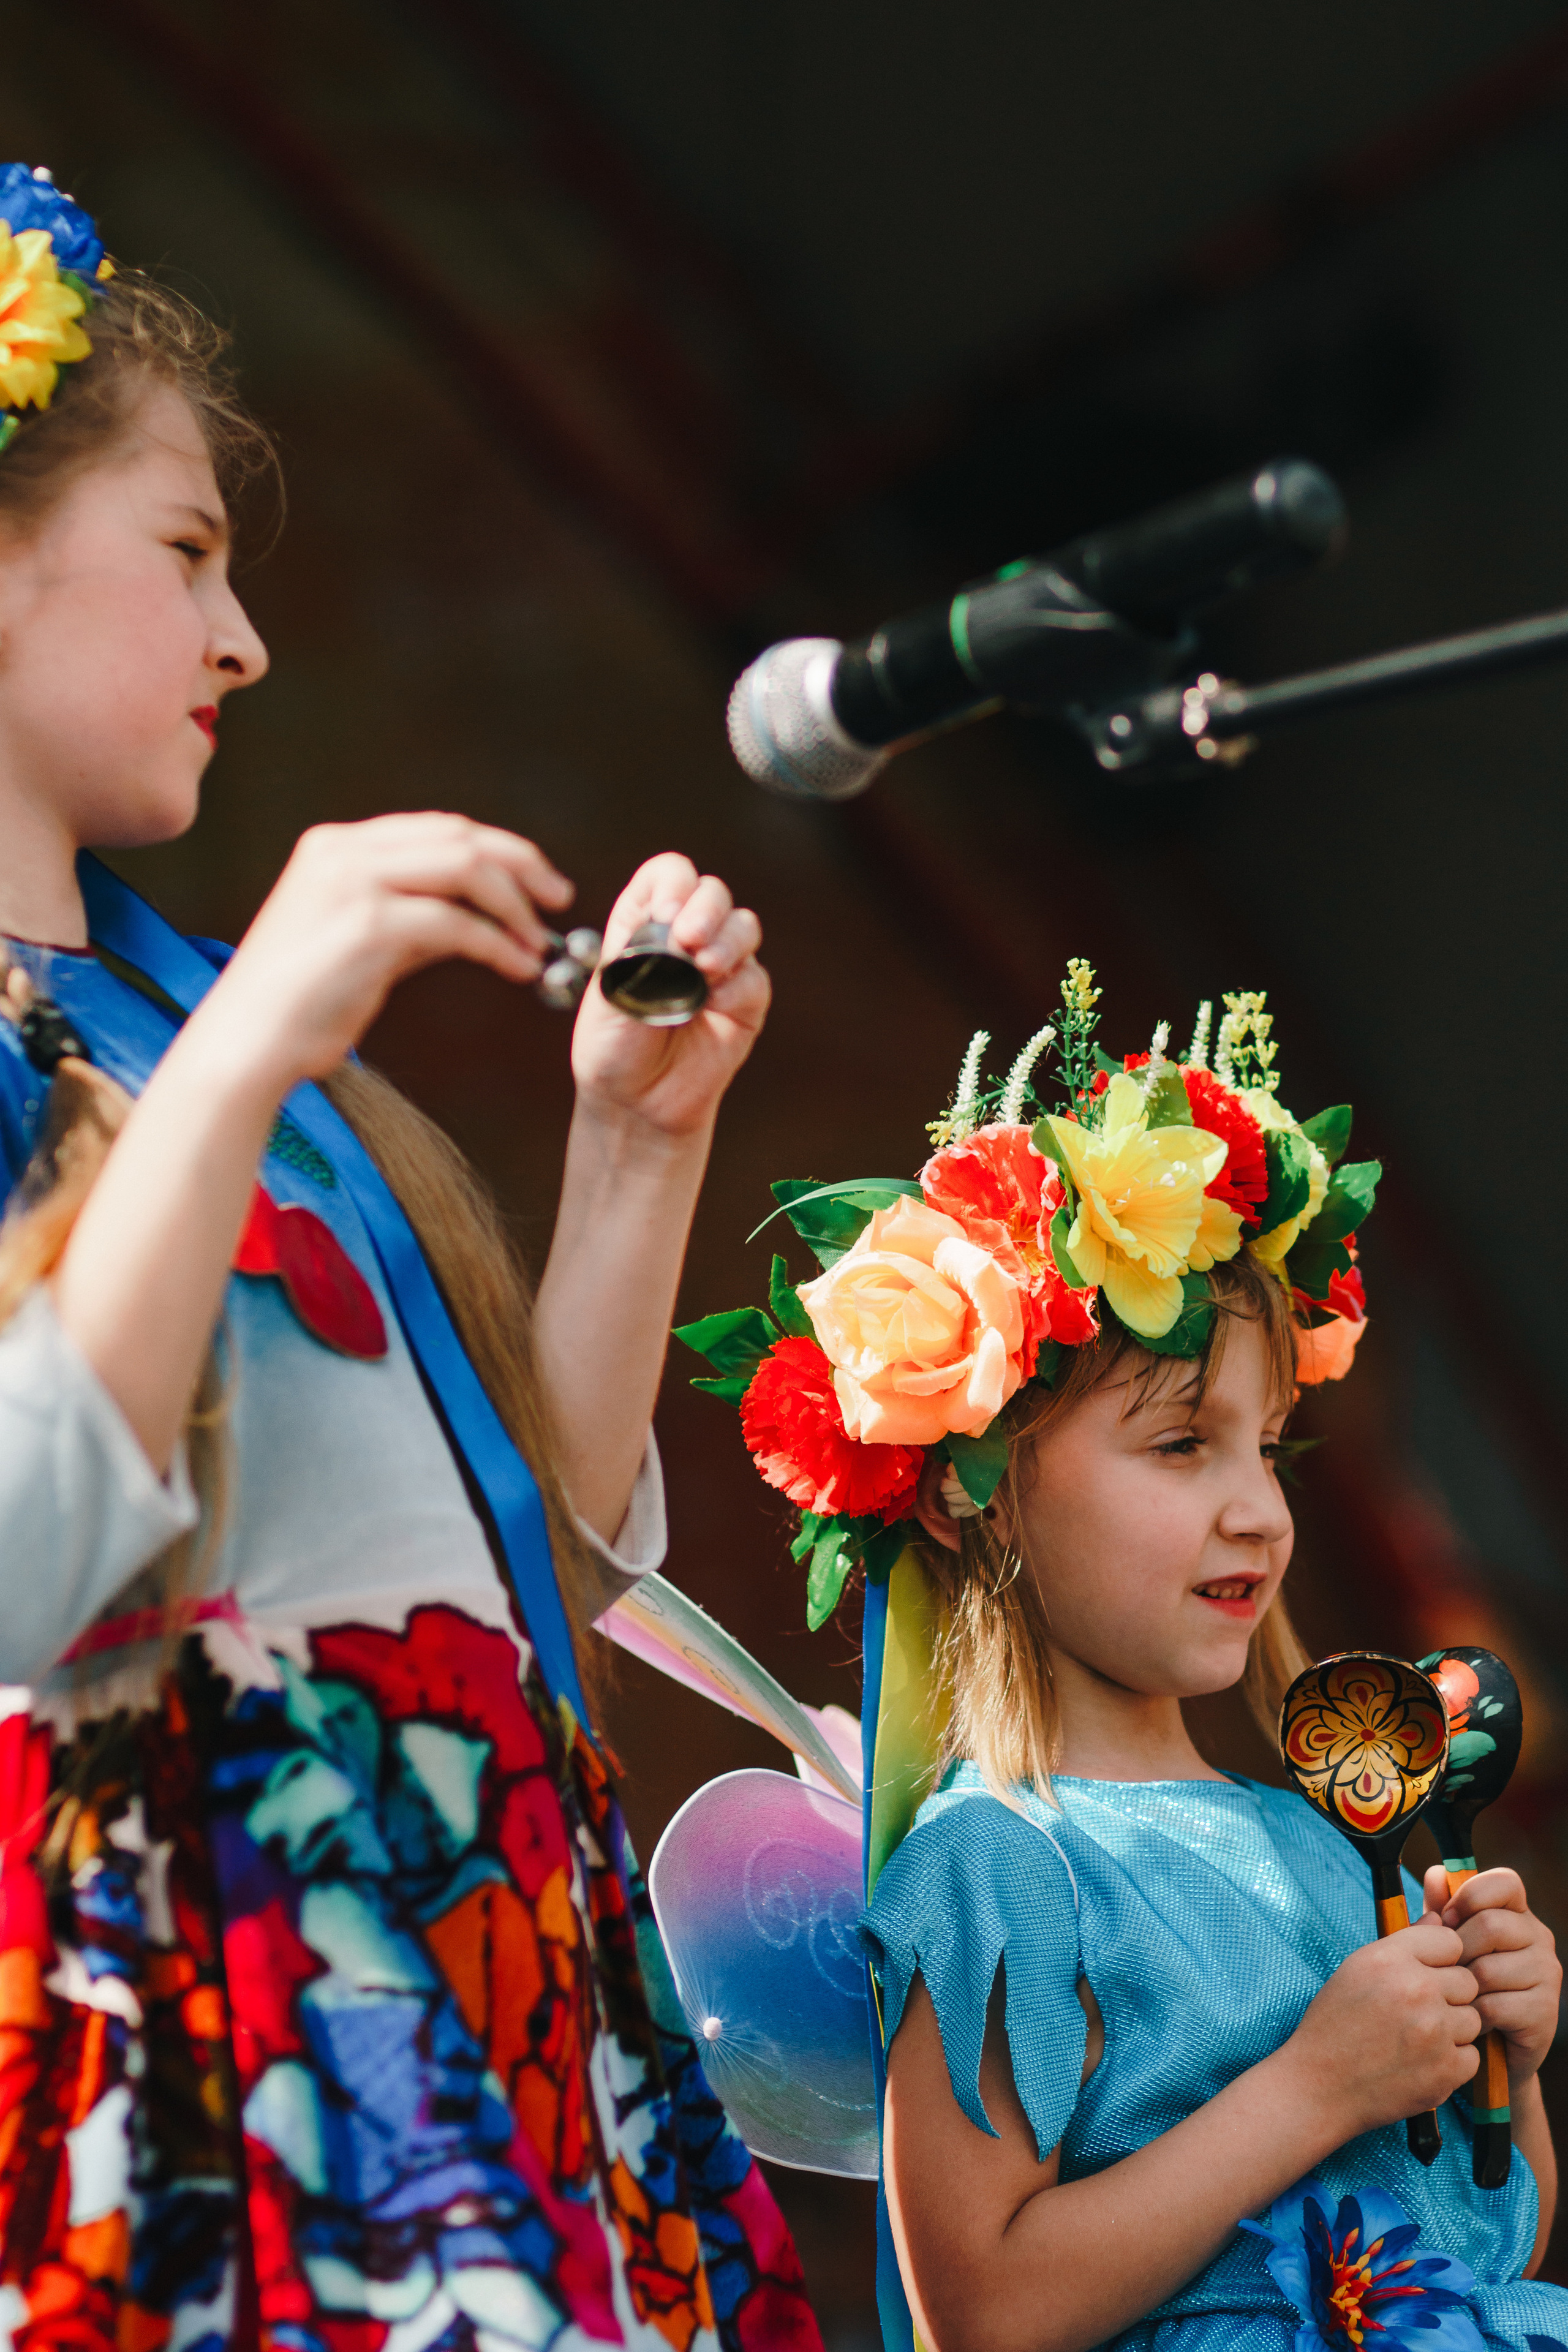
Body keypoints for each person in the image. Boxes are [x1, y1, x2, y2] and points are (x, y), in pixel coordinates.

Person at [0, 168, 820, 2352]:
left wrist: (631, 1155)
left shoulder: (186, 1030)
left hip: (497, 1949)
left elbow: (520, 1564)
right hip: (225, 1981)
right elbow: (20, 1557)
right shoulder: (223, 1037)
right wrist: (269, 1020)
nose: (244, 638)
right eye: (187, 553)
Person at [676, 977, 1567, 2352]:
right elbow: (981, 2311)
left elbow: (1476, 2248)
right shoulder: (995, 1868)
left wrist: (1500, 2068)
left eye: (1264, 1445)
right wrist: (1315, 2086)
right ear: (970, 1487)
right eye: (1177, 1445)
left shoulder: (1324, 1844)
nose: (1258, 1508)